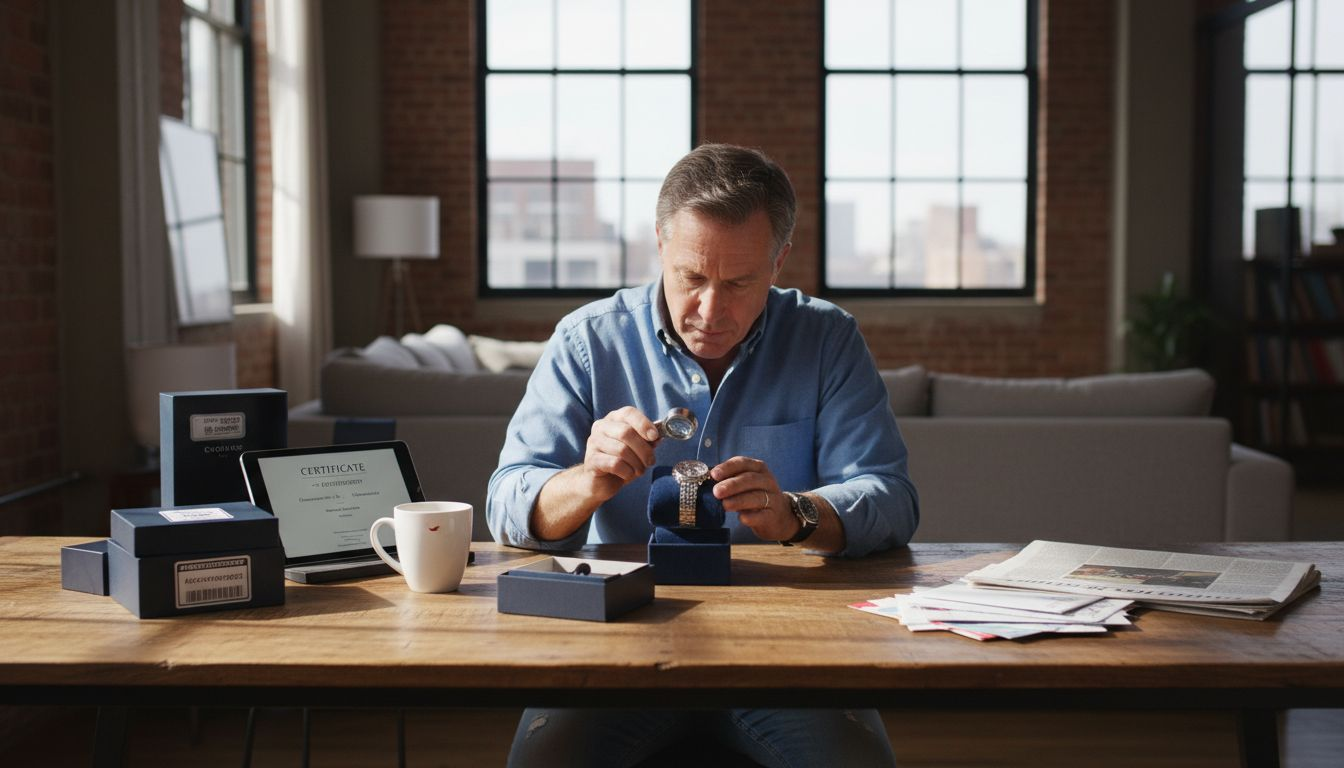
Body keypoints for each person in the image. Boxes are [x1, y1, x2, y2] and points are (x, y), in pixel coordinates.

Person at [487, 143, 919, 768]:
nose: (711, 311)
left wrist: (797, 513)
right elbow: (505, 501)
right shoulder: (587, 341)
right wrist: (587, 481)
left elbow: (891, 496)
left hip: (788, 648)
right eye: (692, 277)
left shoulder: (827, 339)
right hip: (620, 641)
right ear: (660, 243)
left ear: (779, 263)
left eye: (740, 283)